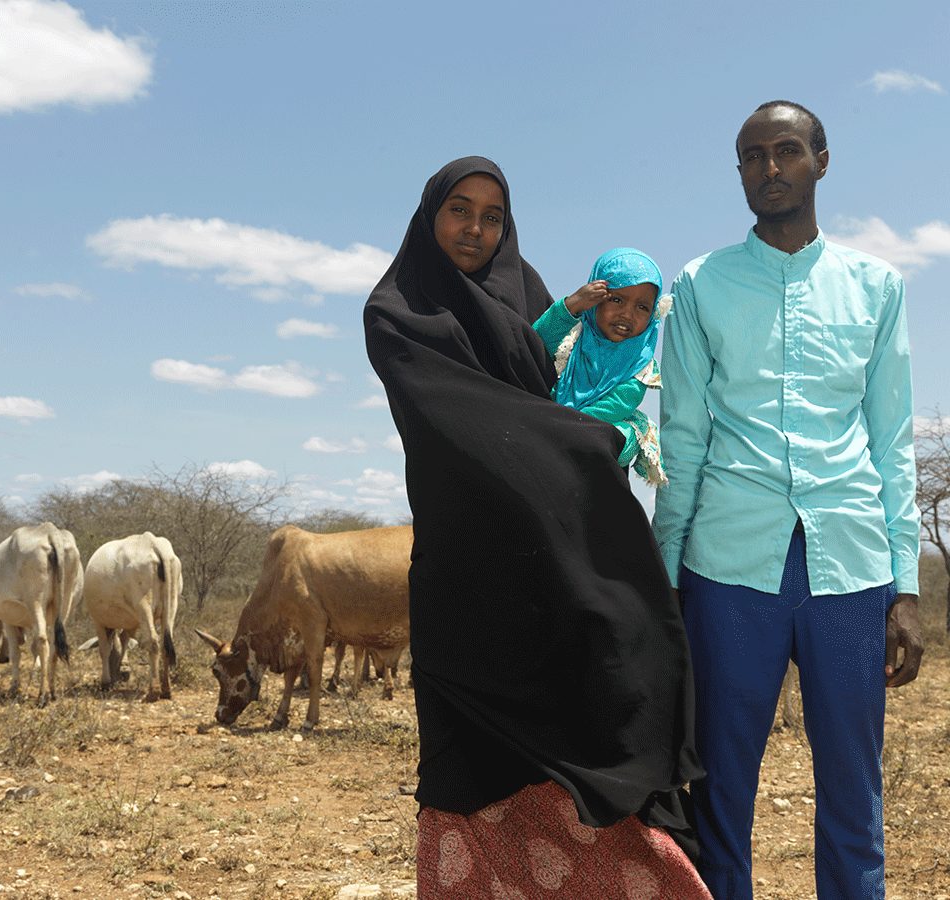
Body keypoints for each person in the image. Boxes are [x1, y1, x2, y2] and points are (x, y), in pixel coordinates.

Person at [364, 156, 709, 899]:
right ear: (430, 215)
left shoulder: (531, 298)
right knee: (468, 747)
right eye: (460, 209)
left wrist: (593, 440)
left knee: (588, 694)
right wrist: (580, 443)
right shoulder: (397, 311)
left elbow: (563, 386)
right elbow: (460, 417)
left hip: (550, 553)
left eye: (492, 215)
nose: (475, 227)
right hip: (464, 562)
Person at [652, 101, 924, 899]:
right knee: (720, 786)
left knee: (854, 785)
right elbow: (685, 437)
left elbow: (890, 438)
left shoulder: (875, 286)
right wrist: (666, 571)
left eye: (785, 151)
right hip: (729, 568)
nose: (768, 168)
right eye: (751, 156)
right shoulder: (700, 285)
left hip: (851, 565)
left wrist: (905, 583)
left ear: (822, 160)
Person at [532, 247, 670, 485]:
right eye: (616, 300)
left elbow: (617, 405)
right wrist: (572, 305)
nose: (627, 314)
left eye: (642, 307)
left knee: (620, 437)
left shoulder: (639, 362)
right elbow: (535, 342)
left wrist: (564, 425)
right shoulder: (574, 335)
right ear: (594, 300)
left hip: (594, 430)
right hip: (552, 424)